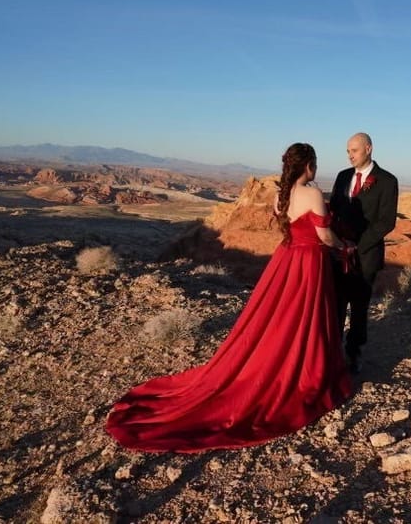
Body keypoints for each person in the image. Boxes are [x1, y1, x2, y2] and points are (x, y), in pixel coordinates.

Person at [106, 143, 353, 452]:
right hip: (309, 262)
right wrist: (345, 247)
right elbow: (324, 236)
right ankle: (305, 368)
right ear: (309, 166)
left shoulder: (281, 195)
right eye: (314, 164)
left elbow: (288, 227)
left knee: (279, 316)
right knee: (306, 314)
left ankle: (279, 357)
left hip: (286, 259)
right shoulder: (313, 194)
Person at [329, 132, 399, 374]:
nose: (350, 155)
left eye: (354, 150)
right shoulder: (342, 177)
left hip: (366, 254)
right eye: (348, 151)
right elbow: (334, 210)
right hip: (339, 253)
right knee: (336, 304)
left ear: (368, 149)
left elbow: (386, 221)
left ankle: (353, 353)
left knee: (359, 307)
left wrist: (358, 244)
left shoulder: (388, 181)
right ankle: (332, 351)